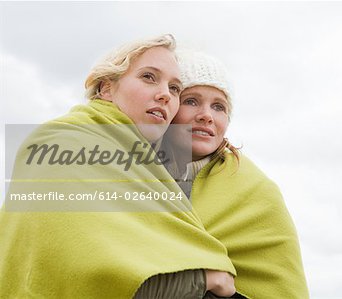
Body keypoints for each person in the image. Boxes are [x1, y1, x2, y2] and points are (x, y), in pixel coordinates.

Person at [0, 35, 237, 298]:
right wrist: (205, 278)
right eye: (149, 77)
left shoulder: (142, 165)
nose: (165, 95)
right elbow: (91, 276)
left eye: (175, 89)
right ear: (106, 88)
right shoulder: (62, 144)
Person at [165, 50, 310, 298]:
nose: (206, 116)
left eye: (218, 107)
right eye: (191, 101)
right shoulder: (133, 175)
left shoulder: (257, 190)